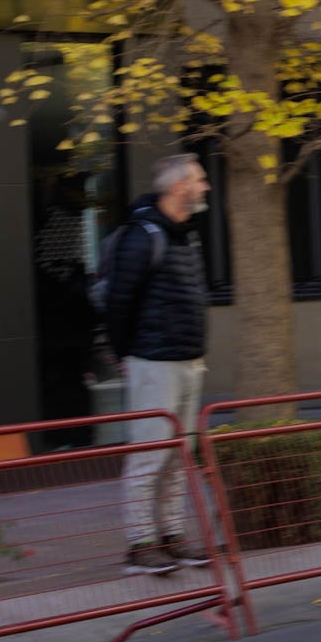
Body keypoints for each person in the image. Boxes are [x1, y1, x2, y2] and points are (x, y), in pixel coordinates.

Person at [106, 153, 214, 576]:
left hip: (188, 360)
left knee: (177, 456)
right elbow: (119, 302)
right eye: (199, 180)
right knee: (149, 456)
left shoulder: (186, 235)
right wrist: (125, 355)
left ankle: (172, 537)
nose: (205, 187)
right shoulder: (142, 235)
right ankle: (141, 544)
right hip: (153, 362)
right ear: (178, 187)